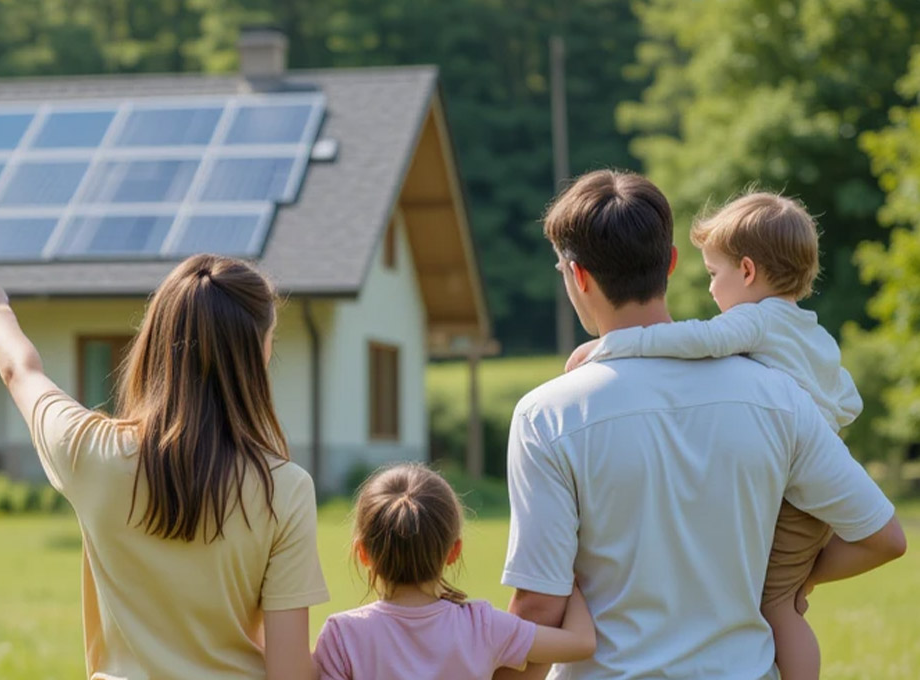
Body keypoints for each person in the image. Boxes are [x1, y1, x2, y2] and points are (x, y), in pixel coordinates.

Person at [494, 170, 906, 680]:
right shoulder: (779, 395)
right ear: (670, 262)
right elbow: (884, 538)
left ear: (577, 276)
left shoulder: (547, 416)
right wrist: (787, 583)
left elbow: (539, 606)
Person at [0, 249, 328, 680]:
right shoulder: (286, 488)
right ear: (257, 353)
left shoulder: (89, 450)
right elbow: (289, 673)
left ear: (157, 342)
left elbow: (21, 372)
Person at [562, 191, 860, 679]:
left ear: (746, 271)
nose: (712, 290)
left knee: (778, 605)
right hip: (815, 477)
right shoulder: (812, 332)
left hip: (795, 486)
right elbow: (848, 398)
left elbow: (696, 339)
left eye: (714, 274)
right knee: (779, 596)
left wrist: (614, 346)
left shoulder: (754, 321)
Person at [314, 463, 595, 680]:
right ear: (454, 551)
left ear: (362, 553)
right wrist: (566, 570)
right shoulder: (482, 626)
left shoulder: (341, 635)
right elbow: (581, 643)